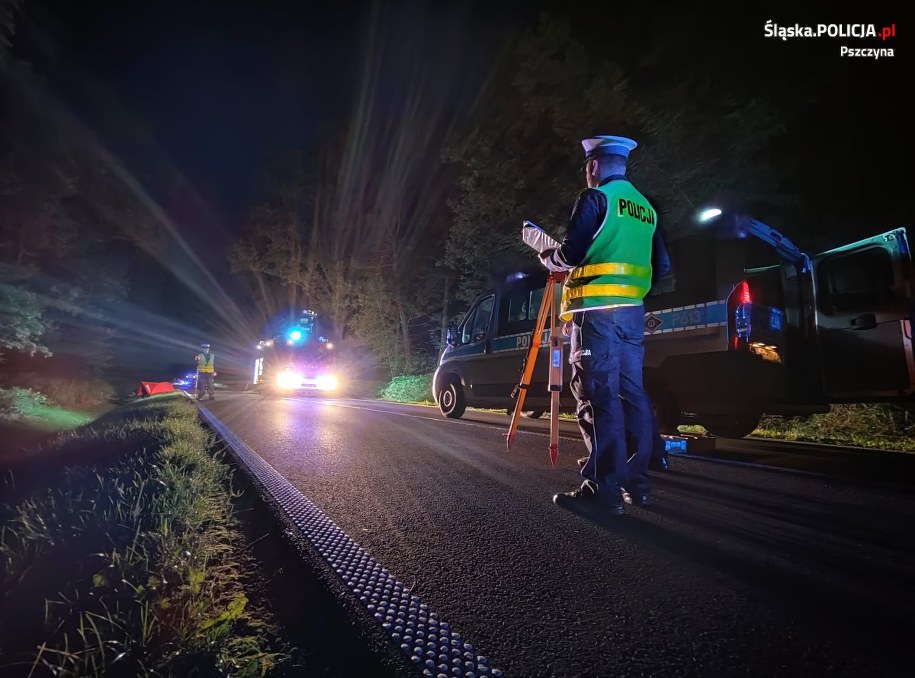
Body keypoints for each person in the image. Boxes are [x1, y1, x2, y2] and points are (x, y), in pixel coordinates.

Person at [538, 135, 658, 515]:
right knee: (632, 395)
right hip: (632, 314)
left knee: (597, 396)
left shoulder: (595, 199)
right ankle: (636, 484)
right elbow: (664, 266)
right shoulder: (646, 209)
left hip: (597, 314)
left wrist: (549, 256)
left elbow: (571, 254)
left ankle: (602, 491)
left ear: (592, 166)